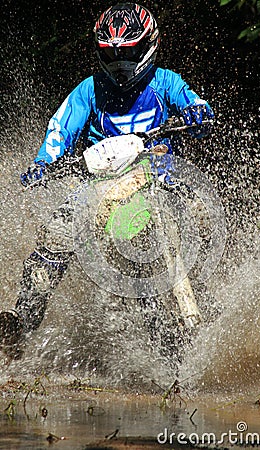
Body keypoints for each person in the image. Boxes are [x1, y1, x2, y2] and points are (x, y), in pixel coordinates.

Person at [0, 3, 214, 355]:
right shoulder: (90, 90)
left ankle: (193, 311)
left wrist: (198, 113)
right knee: (53, 240)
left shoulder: (165, 82)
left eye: (128, 54)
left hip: (157, 182)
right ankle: (19, 326)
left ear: (148, 46)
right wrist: (43, 163)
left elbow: (195, 104)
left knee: (200, 215)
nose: (121, 66)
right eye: (111, 56)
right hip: (100, 186)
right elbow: (60, 128)